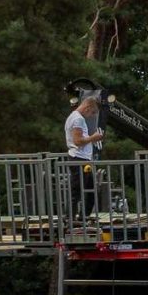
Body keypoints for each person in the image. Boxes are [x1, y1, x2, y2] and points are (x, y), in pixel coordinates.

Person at [65, 87, 103, 216]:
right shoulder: (78, 119)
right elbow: (77, 141)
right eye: (92, 113)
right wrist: (94, 138)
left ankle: (83, 216)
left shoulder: (75, 117)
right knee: (77, 190)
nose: (92, 116)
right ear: (87, 108)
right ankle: (71, 218)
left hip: (82, 159)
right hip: (79, 159)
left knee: (90, 190)